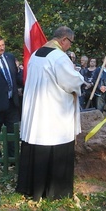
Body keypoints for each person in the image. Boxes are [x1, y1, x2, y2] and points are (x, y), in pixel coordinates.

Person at [16, 26, 85, 200]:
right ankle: (55, 191)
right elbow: (71, 82)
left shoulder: (36, 54)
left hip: (36, 111)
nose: (70, 46)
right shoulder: (59, 57)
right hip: (53, 112)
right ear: (64, 40)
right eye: (70, 42)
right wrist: (80, 78)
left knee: (36, 143)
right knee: (54, 142)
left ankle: (31, 187)